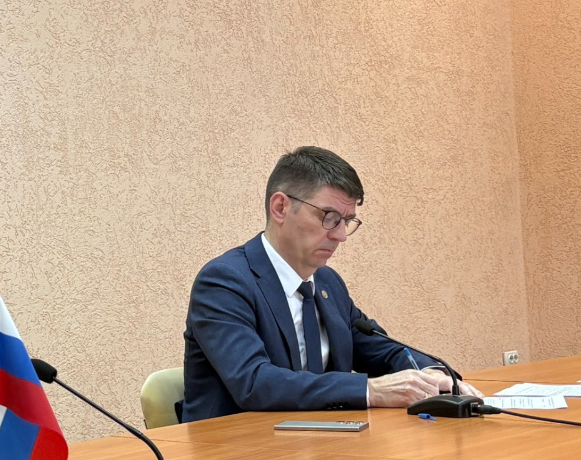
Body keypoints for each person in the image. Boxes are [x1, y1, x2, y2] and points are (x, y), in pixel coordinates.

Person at [182, 146, 478, 422]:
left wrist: (431, 374)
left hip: (318, 443)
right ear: (280, 207)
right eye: (329, 217)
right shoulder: (225, 282)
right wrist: (370, 390)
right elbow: (254, 382)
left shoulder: (327, 283)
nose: (341, 236)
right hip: (235, 449)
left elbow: (381, 350)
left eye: (346, 221)